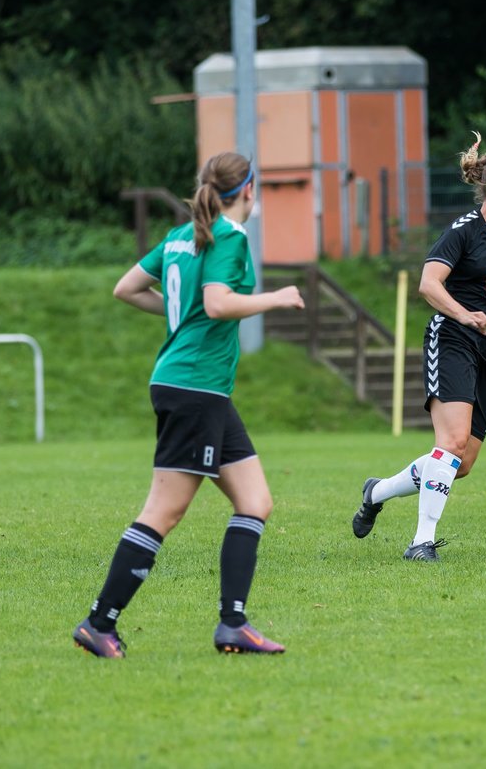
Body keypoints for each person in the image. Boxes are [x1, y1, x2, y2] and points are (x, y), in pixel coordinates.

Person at [73, 151, 305, 658]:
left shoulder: (181, 236)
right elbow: (220, 302)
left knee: (255, 501)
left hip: (202, 389)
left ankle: (233, 625)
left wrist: (180, 314)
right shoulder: (230, 236)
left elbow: (127, 289)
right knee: (164, 510)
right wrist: (277, 297)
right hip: (194, 386)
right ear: (248, 190)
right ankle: (98, 622)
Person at [351, 132, 486, 560]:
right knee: (453, 441)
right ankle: (421, 542)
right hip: (453, 339)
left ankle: (377, 492)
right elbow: (428, 284)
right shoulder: (462, 231)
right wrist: (463, 314)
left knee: (462, 463)